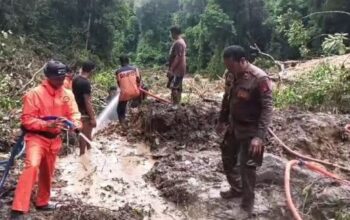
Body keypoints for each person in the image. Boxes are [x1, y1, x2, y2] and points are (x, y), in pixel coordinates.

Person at [10, 60, 81, 220]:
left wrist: (75, 124)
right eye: (57, 78)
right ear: (48, 76)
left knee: (48, 172)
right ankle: (18, 208)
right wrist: (46, 124)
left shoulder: (67, 94)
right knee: (32, 166)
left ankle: (42, 202)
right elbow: (27, 120)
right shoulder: (34, 94)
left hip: (54, 139)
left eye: (63, 78)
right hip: (37, 138)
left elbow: (74, 114)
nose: (60, 81)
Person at [216, 45, 273, 214]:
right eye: (227, 67)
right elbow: (227, 98)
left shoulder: (260, 78)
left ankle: (247, 206)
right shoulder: (230, 75)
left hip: (251, 130)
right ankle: (237, 188)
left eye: (231, 66)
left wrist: (259, 137)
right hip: (234, 125)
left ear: (242, 61)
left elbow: (267, 108)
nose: (229, 70)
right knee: (227, 156)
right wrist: (222, 120)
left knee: (247, 168)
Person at [72, 61, 96, 156]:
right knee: (84, 135)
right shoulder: (85, 83)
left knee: (87, 134)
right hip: (84, 112)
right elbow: (87, 101)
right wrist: (92, 117)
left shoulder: (76, 79)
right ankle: (82, 156)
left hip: (77, 110)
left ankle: (89, 154)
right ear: (92, 71)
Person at [115, 55, 141, 124]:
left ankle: (123, 124)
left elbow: (119, 85)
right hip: (136, 92)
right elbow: (138, 80)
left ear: (120, 62)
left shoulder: (118, 71)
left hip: (125, 94)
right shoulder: (135, 69)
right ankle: (137, 118)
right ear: (128, 60)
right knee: (137, 101)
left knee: (119, 109)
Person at [167, 26, 187, 106]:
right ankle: (176, 103)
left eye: (171, 33)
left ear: (174, 33)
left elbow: (178, 57)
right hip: (179, 68)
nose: (170, 35)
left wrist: (171, 69)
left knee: (174, 87)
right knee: (177, 87)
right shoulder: (181, 41)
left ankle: (175, 105)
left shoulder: (179, 43)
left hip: (177, 69)